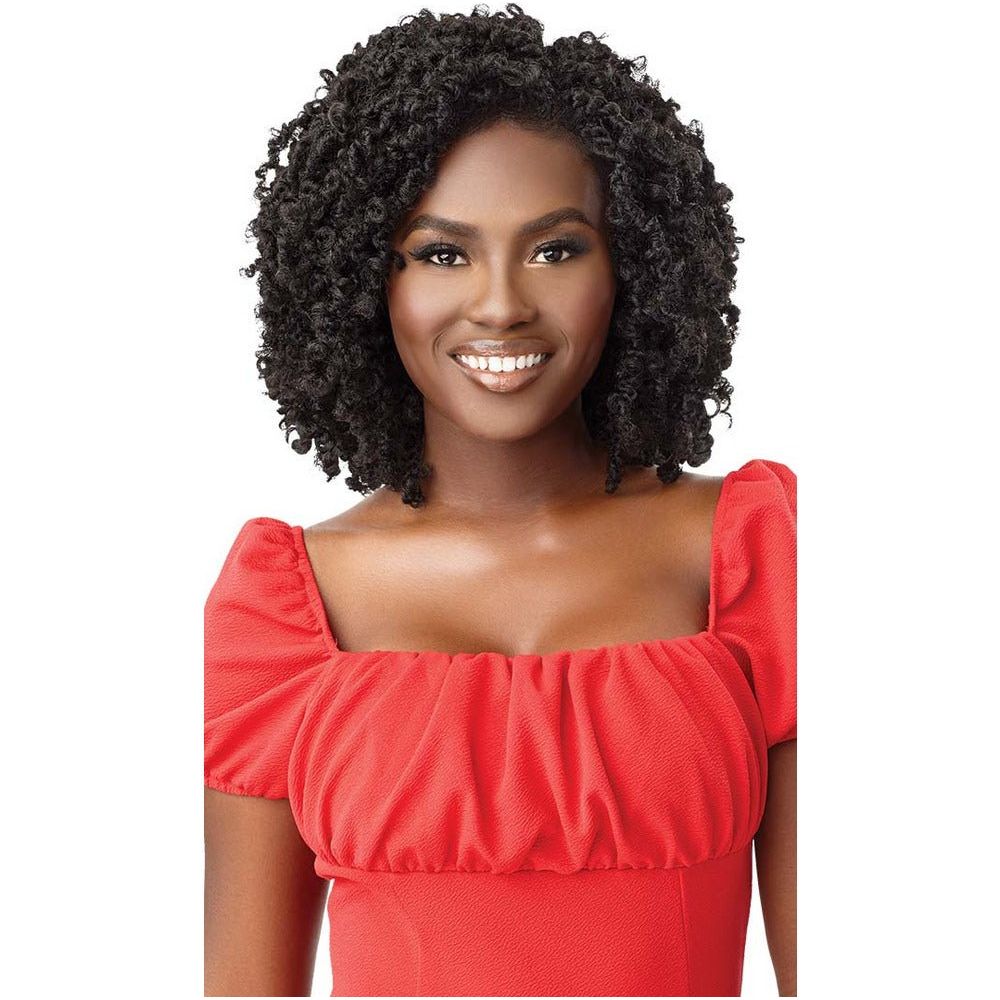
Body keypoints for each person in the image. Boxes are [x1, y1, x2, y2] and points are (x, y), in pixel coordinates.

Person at [204, 4, 797, 996]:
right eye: (442, 253)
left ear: (634, 267)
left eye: (555, 249)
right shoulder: (286, 604)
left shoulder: (747, 554)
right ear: (366, 280)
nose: (500, 304)